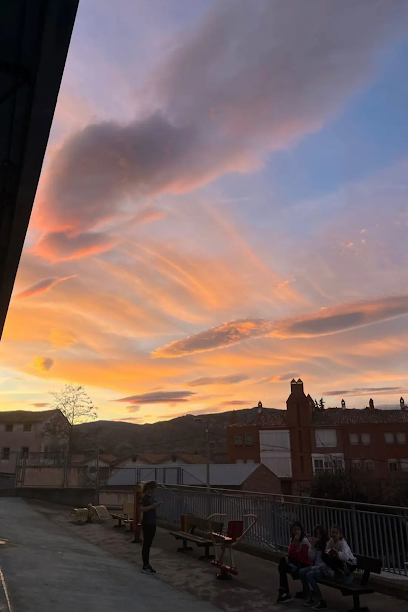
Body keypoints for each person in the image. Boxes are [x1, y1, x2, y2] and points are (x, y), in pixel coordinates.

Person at [305, 524, 356, 610]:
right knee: (325, 558)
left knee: (310, 573)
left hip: (348, 565)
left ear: (340, 534)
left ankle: (319, 598)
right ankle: (310, 596)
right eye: (332, 532)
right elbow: (324, 552)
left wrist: (336, 553)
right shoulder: (331, 541)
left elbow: (346, 557)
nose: (334, 534)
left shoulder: (342, 543)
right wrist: (314, 546)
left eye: (336, 532)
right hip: (335, 565)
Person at [277, 521, 311, 603]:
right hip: (297, 562)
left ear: (301, 531)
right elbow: (291, 554)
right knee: (282, 564)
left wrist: (297, 547)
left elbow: (306, 556)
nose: (296, 532)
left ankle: (284, 591)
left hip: (304, 564)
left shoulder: (304, 541)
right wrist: (294, 544)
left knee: (282, 565)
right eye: (294, 529)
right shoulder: (292, 540)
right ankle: (284, 591)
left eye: (298, 529)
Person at [297, 525, 328, 607]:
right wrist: (312, 546)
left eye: (320, 534)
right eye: (316, 534)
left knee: (309, 575)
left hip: (324, 570)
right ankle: (309, 596)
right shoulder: (317, 545)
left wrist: (314, 567)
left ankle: (320, 599)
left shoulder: (327, 545)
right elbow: (311, 557)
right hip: (316, 567)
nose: (318, 536)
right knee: (301, 572)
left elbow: (326, 564)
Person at [140, 481, 161, 574]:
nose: (153, 491)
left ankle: (147, 564)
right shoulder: (143, 497)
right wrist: (152, 506)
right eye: (152, 489)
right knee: (146, 544)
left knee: (149, 543)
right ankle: (145, 564)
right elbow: (141, 509)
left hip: (152, 522)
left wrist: (156, 505)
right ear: (149, 488)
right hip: (147, 522)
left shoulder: (151, 497)